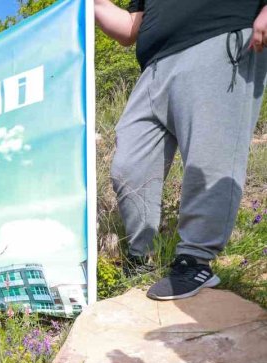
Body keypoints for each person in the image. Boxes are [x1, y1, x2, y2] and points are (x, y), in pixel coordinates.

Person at [96, 0, 267, 300]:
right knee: (129, 166)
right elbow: (129, 28)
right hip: (154, 67)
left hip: (219, 39)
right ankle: (142, 257)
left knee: (210, 156)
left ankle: (195, 260)